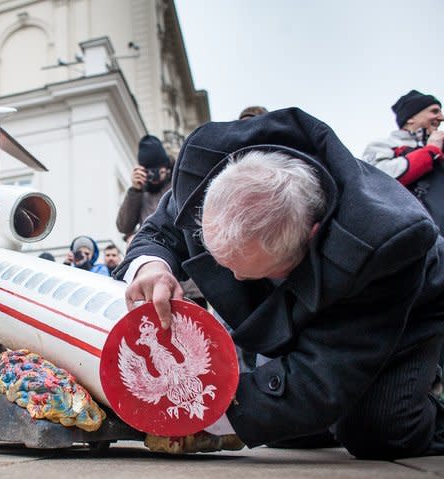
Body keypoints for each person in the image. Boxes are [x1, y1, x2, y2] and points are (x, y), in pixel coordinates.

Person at [116, 107, 444, 460]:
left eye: (248, 270)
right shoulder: (201, 172)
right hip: (309, 292)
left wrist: (203, 413)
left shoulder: (383, 244)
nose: (234, 278)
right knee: (291, 430)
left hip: (408, 302)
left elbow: (323, 378)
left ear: (312, 235)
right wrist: (152, 266)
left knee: (375, 431)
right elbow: (159, 232)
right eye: (220, 262)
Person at [362, 90, 443, 230]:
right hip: (413, 237)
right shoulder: (383, 145)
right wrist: (430, 151)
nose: (441, 117)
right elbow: (378, 182)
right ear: (411, 118)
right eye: (434, 111)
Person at [115, 135, 172, 236]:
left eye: (159, 171)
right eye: (150, 171)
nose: (155, 176)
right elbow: (123, 227)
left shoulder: (176, 184)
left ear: (166, 167)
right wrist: (135, 190)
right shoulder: (140, 192)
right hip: (151, 246)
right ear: (142, 171)